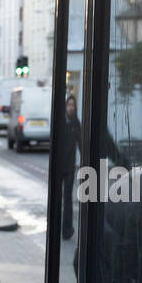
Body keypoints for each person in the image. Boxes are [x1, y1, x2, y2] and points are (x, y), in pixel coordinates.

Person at [58, 94, 81, 239]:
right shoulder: (60, 122)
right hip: (59, 166)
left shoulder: (76, 123)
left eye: (73, 105)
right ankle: (55, 225)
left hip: (70, 167)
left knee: (67, 199)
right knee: (57, 198)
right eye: (69, 105)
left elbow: (81, 143)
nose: (70, 107)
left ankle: (67, 229)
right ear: (65, 107)